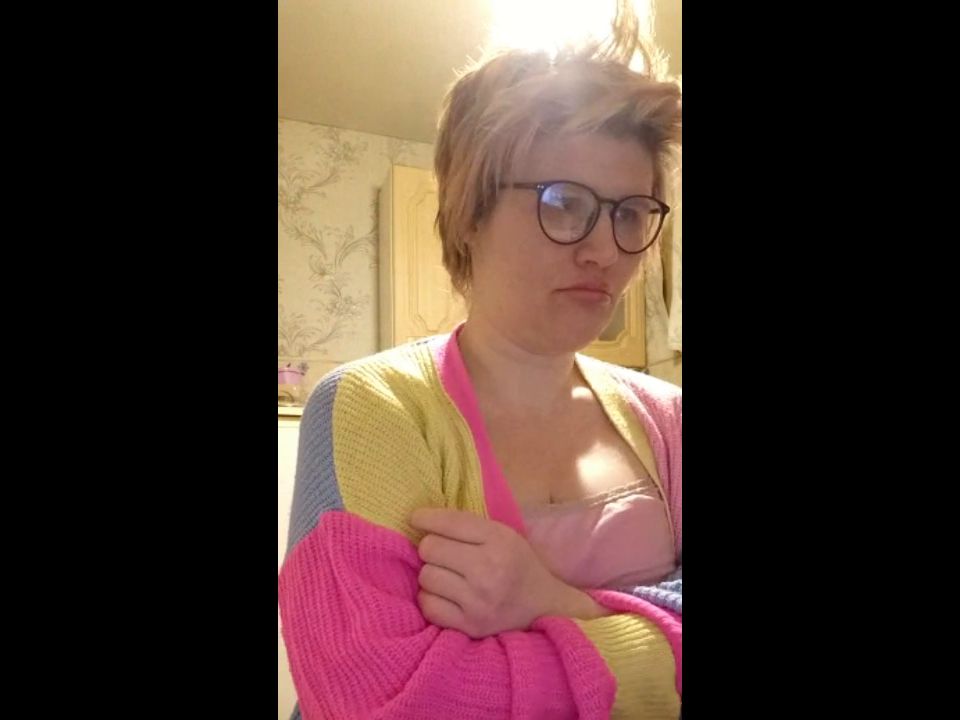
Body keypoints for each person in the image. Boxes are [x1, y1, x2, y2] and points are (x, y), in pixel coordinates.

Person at [279, 4, 682, 718]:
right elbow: (380, 699)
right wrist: (648, 653)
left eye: (629, 213)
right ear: (470, 212)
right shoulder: (371, 408)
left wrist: (551, 602)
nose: (604, 251)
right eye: (564, 202)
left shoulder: (668, 417)